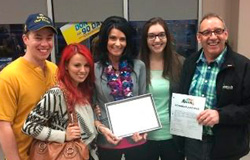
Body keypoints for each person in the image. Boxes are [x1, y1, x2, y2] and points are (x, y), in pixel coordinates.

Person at [177, 13, 250, 160]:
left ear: (226, 34)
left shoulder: (243, 66)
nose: (212, 37)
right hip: (193, 143)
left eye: (217, 31)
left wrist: (220, 115)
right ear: (199, 37)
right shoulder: (190, 63)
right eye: (206, 33)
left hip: (226, 146)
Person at [22, 43, 98, 159]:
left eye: (86, 65)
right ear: (66, 66)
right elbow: (29, 126)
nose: (83, 70)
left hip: (87, 152)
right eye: (77, 65)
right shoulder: (56, 94)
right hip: (69, 154)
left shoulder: (83, 89)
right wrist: (63, 135)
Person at [0, 13, 57, 160]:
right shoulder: (9, 76)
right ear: (25, 39)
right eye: (38, 37)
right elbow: (4, 125)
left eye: (49, 38)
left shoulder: (54, 70)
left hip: (53, 154)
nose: (44, 44)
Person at [94, 16, 147, 160]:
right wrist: (102, 129)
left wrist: (144, 128)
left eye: (122, 39)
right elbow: (91, 105)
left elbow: (144, 101)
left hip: (136, 138)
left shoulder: (138, 66)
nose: (117, 43)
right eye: (112, 38)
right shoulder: (95, 70)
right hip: (108, 139)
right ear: (105, 40)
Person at [140, 17, 184, 160]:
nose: (157, 40)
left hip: (173, 137)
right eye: (151, 36)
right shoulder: (137, 65)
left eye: (161, 35)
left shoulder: (181, 64)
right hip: (145, 138)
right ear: (145, 39)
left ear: (167, 36)